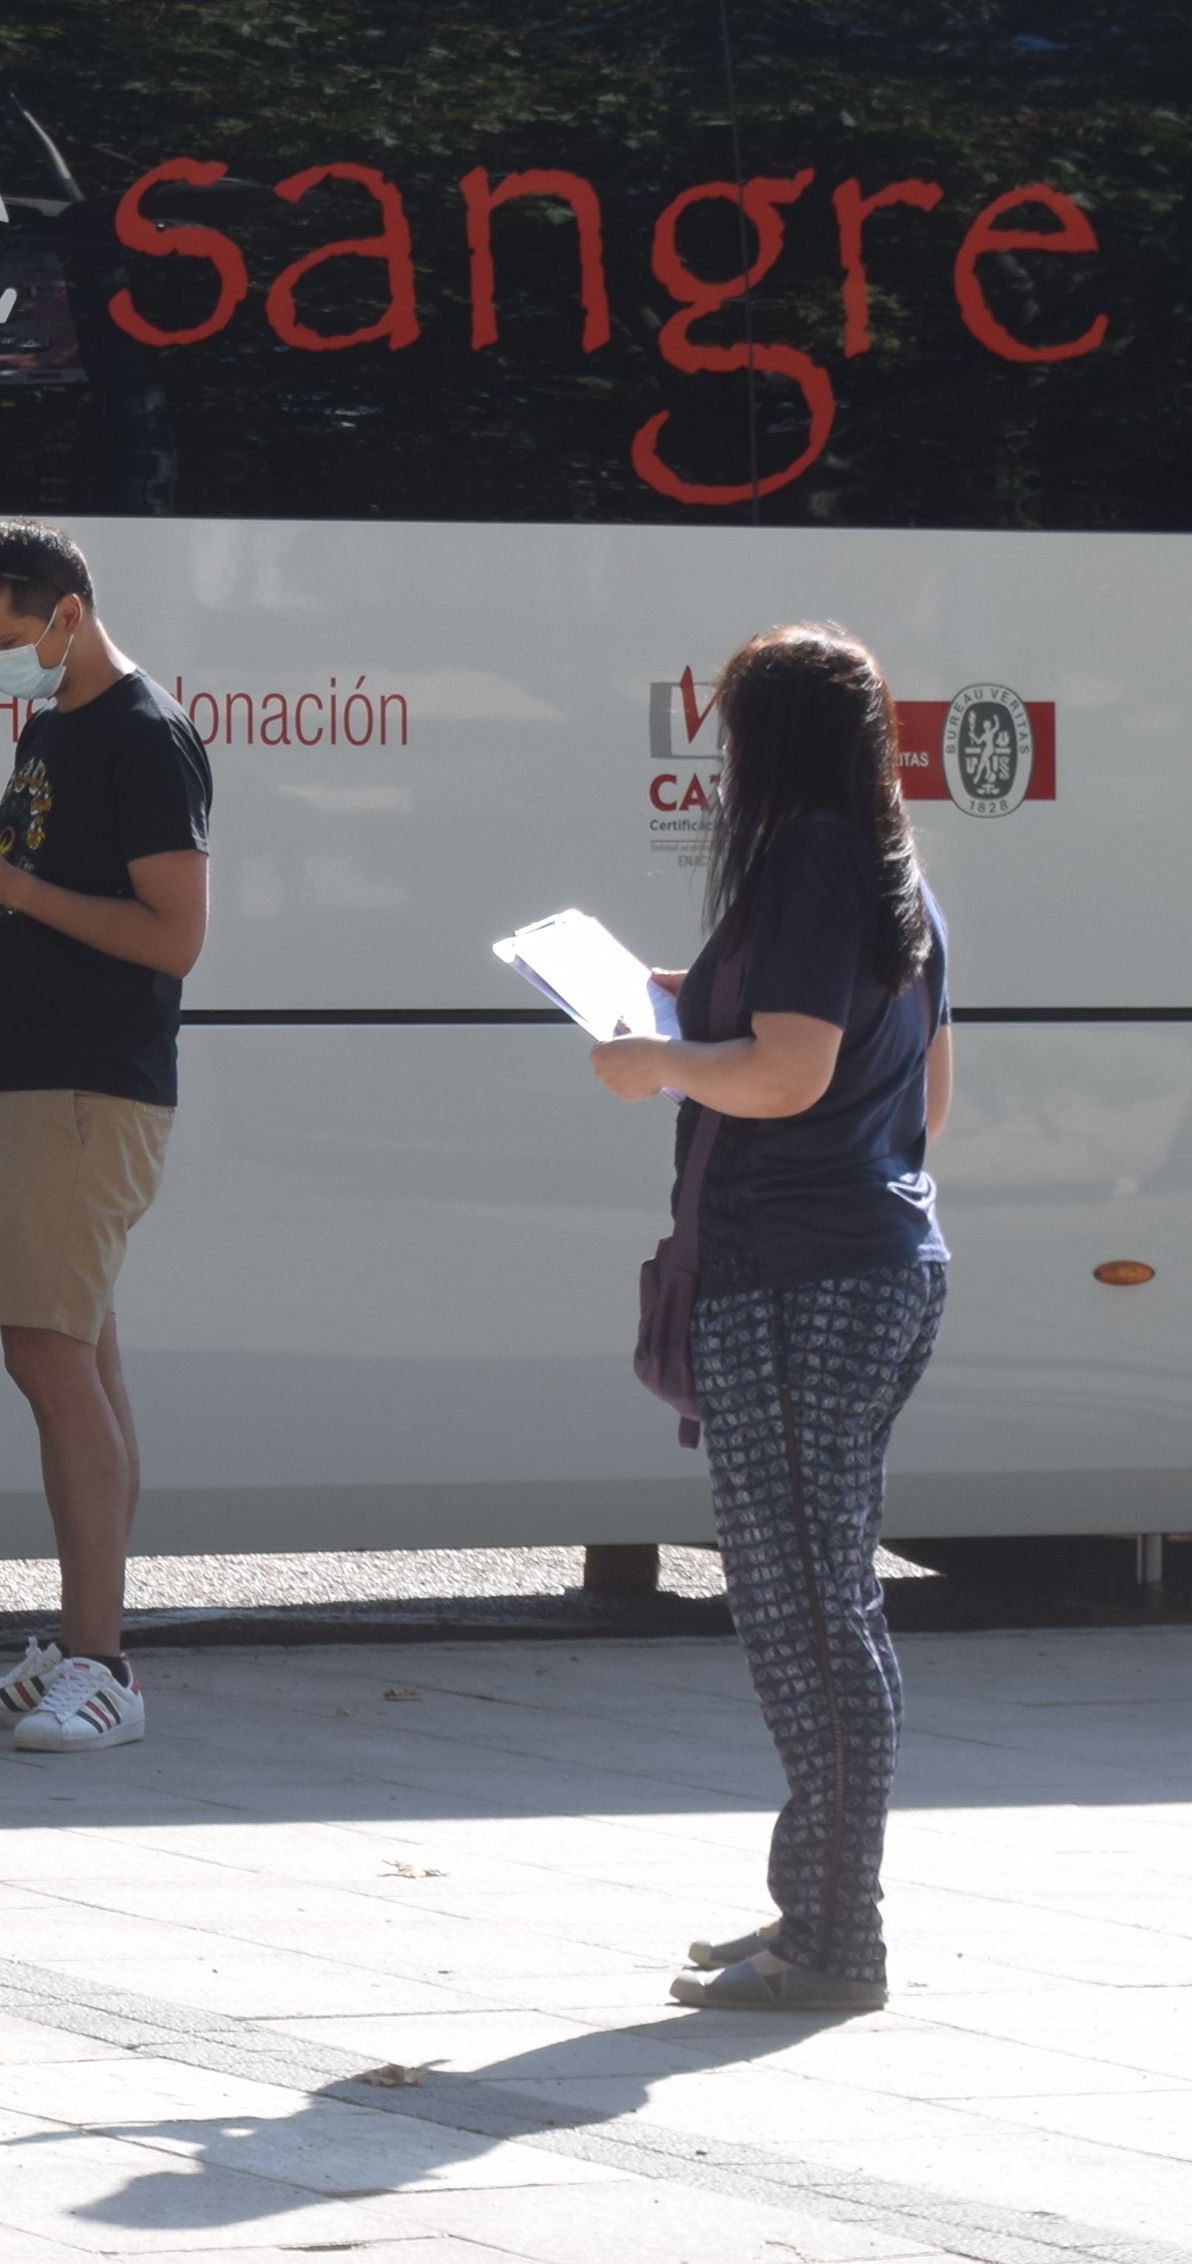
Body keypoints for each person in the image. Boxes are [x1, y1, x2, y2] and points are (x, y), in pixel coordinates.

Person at [585, 625, 950, 2015]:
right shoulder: (889, 873)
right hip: (865, 1255)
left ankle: (836, 1941)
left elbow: (789, 1071)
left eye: (732, 731)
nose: (721, 760)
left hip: (801, 1275)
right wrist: (686, 1010)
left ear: (774, 743)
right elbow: (920, 1090)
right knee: (816, 1600)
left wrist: (657, 1064)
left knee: (808, 1611)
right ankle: (812, 1911)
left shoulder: (805, 859)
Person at [0, 525, 212, 1755]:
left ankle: (100, 1665)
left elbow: (172, 938)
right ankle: (84, 1650)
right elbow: (37, 909)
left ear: (68, 613)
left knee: (50, 1365)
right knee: (78, 1363)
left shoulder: (141, 735)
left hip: (85, 1090)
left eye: (9, 640)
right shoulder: (58, 728)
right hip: (26, 1082)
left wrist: (7, 887)